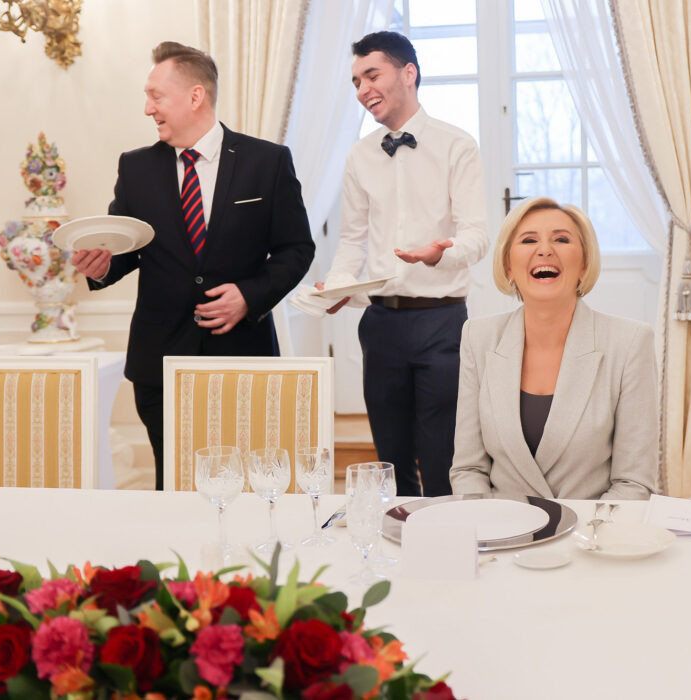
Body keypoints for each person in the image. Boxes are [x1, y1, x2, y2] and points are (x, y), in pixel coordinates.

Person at [72, 42, 314, 489]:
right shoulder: (136, 167)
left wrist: (249, 296)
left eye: (156, 96)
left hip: (243, 355)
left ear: (195, 96)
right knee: (174, 484)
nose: (148, 108)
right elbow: (126, 247)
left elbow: (297, 249)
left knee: (247, 485)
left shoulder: (267, 162)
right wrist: (100, 265)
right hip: (159, 361)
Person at [320, 31, 489, 497]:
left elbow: (477, 235)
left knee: (441, 457)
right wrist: (338, 286)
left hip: (442, 323)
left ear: (408, 73)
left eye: (371, 75)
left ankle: (446, 536)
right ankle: (398, 539)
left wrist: (442, 253)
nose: (362, 89)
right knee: (390, 461)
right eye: (356, 81)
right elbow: (351, 241)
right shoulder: (359, 155)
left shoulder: (457, 145)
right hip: (381, 326)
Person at [449, 197, 658, 500]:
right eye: (528, 240)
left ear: (584, 264)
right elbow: (469, 470)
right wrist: (485, 523)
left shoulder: (631, 343)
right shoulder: (478, 337)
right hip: (500, 527)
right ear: (508, 265)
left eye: (561, 239)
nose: (545, 250)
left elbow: (633, 483)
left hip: (592, 528)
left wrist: (586, 530)